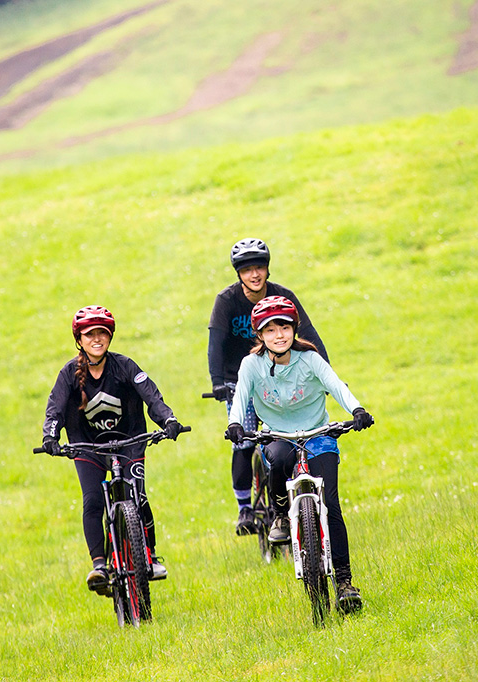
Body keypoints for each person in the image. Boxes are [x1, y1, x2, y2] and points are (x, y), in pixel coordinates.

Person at [226, 295, 373, 614]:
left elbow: (336, 385)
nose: (279, 335)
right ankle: (279, 515)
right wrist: (235, 423)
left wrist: (357, 408)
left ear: (294, 329)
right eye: (270, 330)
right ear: (259, 335)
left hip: (319, 434)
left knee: (331, 503)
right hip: (278, 435)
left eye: (284, 327)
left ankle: (345, 582)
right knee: (277, 459)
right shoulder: (252, 365)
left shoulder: (309, 358)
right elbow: (240, 396)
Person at [41, 305, 184, 595]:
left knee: (138, 495)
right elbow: (55, 408)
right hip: (88, 447)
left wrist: (168, 419)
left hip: (129, 441)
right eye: (89, 334)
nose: (96, 339)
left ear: (110, 337)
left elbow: (151, 396)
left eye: (102, 333)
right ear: (78, 339)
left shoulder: (125, 366)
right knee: (93, 500)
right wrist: (51, 436)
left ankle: (150, 555)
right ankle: (99, 565)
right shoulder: (69, 374)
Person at [208, 238, 329, 535]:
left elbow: (309, 333)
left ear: (267, 268)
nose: (254, 274)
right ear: (238, 273)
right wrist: (218, 383)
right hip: (241, 381)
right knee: (245, 441)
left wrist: (326, 373)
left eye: (259, 267)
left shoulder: (283, 297)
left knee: (292, 436)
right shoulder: (226, 301)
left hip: (281, 376)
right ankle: (245, 509)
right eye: (247, 269)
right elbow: (216, 344)